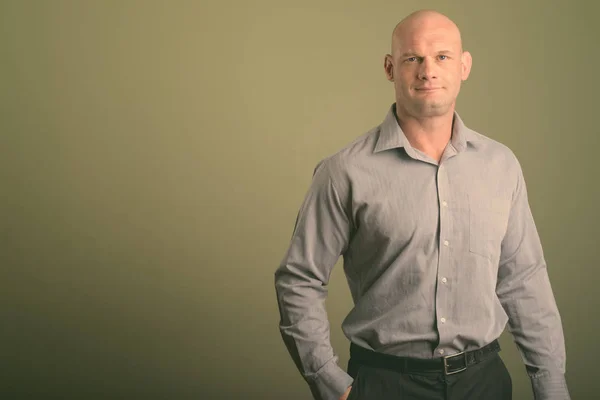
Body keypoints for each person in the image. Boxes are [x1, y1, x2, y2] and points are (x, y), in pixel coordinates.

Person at [274, 9, 570, 400]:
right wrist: (331, 384)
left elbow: (524, 279)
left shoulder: (501, 166)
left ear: (464, 66)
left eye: (442, 57)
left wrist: (550, 385)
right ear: (390, 68)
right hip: (383, 383)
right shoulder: (344, 171)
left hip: (484, 383)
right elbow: (299, 280)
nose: (428, 71)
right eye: (413, 58)